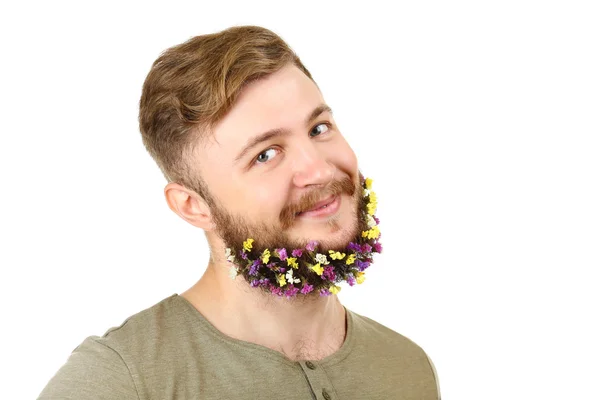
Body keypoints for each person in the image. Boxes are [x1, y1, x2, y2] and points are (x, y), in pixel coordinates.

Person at [38, 25, 440, 399]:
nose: (318, 169)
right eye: (266, 155)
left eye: (319, 128)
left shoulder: (407, 368)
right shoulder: (121, 381)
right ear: (194, 206)